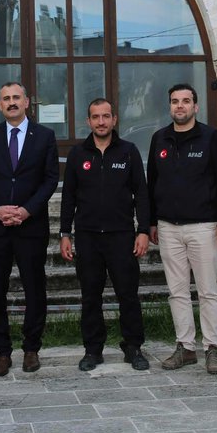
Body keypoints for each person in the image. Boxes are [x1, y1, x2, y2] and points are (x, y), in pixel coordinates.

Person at [59, 98, 151, 372]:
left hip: (121, 236)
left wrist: (143, 230)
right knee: (90, 296)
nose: (101, 122)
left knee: (128, 295)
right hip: (87, 238)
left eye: (106, 116)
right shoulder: (78, 154)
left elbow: (142, 194)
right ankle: (93, 350)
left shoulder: (128, 151)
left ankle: (133, 347)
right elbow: (68, 198)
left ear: (114, 120)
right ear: (88, 121)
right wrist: (65, 233)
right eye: (96, 117)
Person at [0, 82, 59, 376]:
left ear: (26, 103)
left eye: (16, 98)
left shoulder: (45, 136)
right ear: (0, 105)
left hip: (31, 226)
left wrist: (26, 210)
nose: (11, 102)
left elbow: (50, 179)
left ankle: (32, 348)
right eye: (6, 98)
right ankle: (2, 352)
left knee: (35, 289)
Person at [147, 83, 217, 375]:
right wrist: (150, 223)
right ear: (169, 106)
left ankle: (212, 349)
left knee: (208, 291)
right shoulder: (159, 139)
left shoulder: (211, 138)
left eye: (185, 101)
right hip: (168, 228)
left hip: (204, 227)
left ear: (196, 106)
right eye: (174, 101)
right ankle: (185, 347)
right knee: (177, 292)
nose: (179, 106)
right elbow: (151, 185)